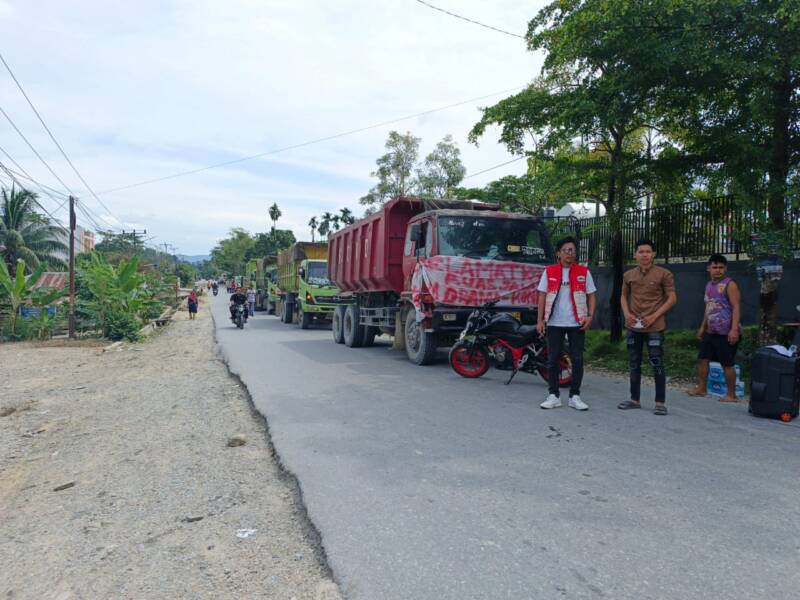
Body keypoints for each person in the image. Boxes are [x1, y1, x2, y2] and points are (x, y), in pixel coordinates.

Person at [536, 236, 597, 411]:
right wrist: (540, 320)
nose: (570, 254)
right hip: (554, 322)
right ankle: (553, 395)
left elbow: (591, 294)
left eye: (572, 250)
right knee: (553, 359)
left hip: (576, 322)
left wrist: (590, 316)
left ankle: (575, 396)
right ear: (558, 253)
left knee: (577, 359)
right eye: (566, 250)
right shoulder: (549, 271)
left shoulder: (583, 272)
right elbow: (541, 295)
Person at [619, 239, 677, 415]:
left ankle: (660, 402)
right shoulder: (628, 275)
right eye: (641, 251)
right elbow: (623, 296)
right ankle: (634, 399)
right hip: (634, 326)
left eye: (648, 251)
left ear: (653, 254)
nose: (644, 255)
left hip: (654, 326)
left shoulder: (664, 274)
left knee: (657, 363)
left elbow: (672, 298)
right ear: (635, 254)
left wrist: (654, 316)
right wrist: (627, 314)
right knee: (634, 363)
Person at [687, 254, 742, 402]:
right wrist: (702, 327)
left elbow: (736, 307)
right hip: (711, 331)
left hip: (726, 332)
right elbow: (708, 307)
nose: (718, 270)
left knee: (727, 363)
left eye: (721, 267)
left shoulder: (730, 284)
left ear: (726, 269)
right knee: (703, 359)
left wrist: (734, 329)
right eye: (715, 267)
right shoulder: (708, 285)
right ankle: (702, 389)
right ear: (708, 268)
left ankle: (731, 395)